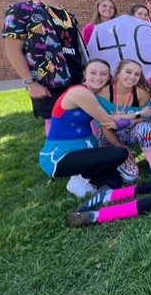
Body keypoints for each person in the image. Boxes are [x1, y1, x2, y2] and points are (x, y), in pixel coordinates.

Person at [2, 0, 87, 136]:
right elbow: (12, 49)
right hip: (49, 82)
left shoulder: (70, 15)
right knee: (58, 126)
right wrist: (30, 83)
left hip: (77, 78)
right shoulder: (22, 10)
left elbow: (77, 47)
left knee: (82, 119)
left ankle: (86, 156)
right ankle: (60, 160)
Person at [39, 59, 139, 198]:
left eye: (103, 74)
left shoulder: (95, 95)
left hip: (84, 151)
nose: (98, 77)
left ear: (109, 77)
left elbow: (112, 116)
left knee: (115, 183)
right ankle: (78, 180)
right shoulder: (80, 93)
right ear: (85, 74)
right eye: (93, 73)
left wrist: (137, 113)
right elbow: (110, 122)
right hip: (59, 157)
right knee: (120, 154)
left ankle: (84, 176)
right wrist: (139, 116)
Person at [96, 59, 151, 177]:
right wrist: (120, 148)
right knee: (131, 176)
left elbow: (144, 119)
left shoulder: (141, 93)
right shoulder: (103, 94)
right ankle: (122, 155)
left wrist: (124, 121)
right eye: (128, 72)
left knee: (145, 128)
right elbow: (105, 125)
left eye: (137, 74)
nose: (132, 77)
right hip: (109, 137)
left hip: (130, 132)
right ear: (118, 72)